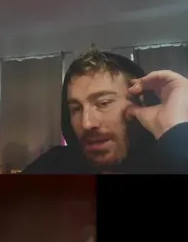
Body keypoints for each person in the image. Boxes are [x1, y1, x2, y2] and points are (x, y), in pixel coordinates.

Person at [22, 50, 188, 174]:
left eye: (103, 103)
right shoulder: (54, 165)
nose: (86, 123)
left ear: (140, 102)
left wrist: (175, 130)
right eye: (76, 109)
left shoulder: (170, 160)